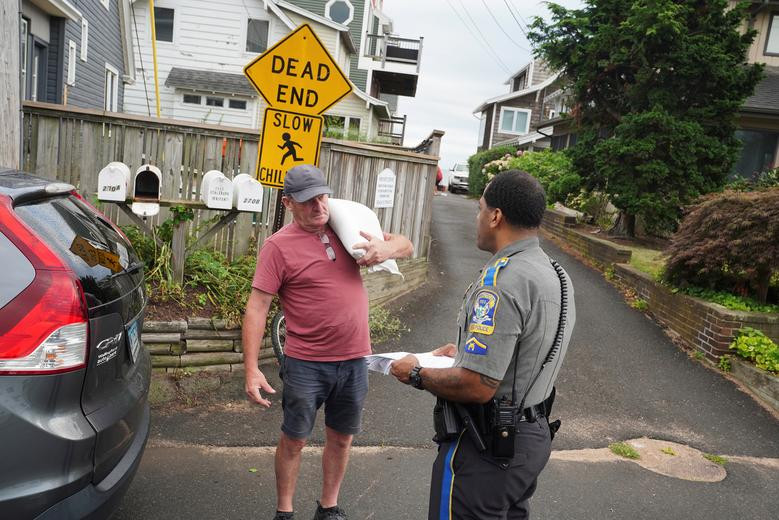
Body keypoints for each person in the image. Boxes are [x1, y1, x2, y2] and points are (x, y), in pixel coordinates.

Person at [390, 170, 576, 520]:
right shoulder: (554, 272)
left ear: (495, 216)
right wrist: (462, 354)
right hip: (531, 438)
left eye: (479, 209)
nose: (477, 218)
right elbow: (522, 355)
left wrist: (414, 372)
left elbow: (478, 385)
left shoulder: (504, 281)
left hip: (487, 446)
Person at [242, 164, 414, 520]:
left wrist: (385, 249)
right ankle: (284, 512)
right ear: (288, 203)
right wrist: (252, 368)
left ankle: (329, 507)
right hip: (306, 363)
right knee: (295, 440)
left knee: (342, 438)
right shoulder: (278, 248)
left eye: (322, 196)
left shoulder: (343, 223)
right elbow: (257, 308)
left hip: (354, 360)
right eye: (308, 201)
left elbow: (407, 244)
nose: (319, 206)